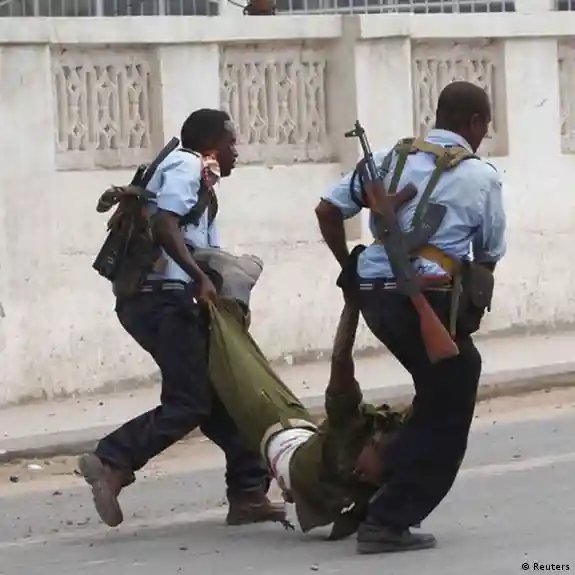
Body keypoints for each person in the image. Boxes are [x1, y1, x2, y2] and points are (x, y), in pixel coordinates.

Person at [314, 81, 507, 554]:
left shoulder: (388, 159)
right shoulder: (481, 176)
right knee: (449, 410)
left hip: (375, 298)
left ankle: (382, 470)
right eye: (484, 126)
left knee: (438, 394)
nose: (483, 136)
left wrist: (349, 267)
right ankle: (387, 515)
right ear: (475, 123)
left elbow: (327, 209)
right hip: (428, 300)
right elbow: (488, 253)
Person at [78, 108, 285, 529]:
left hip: (165, 301)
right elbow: (164, 224)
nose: (236, 151)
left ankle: (248, 493)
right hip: (163, 302)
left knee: (225, 395)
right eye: (231, 142)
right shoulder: (187, 165)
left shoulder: (198, 179)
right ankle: (111, 460)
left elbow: (195, 243)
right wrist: (199, 279)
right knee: (190, 401)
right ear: (211, 145)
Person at [200, 260, 411, 540]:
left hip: (289, 440)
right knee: (233, 359)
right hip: (276, 428)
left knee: (236, 363)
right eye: (373, 472)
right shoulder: (349, 421)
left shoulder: (381, 473)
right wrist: (352, 306)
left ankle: (225, 302)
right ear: (375, 443)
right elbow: (340, 359)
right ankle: (231, 295)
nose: (364, 476)